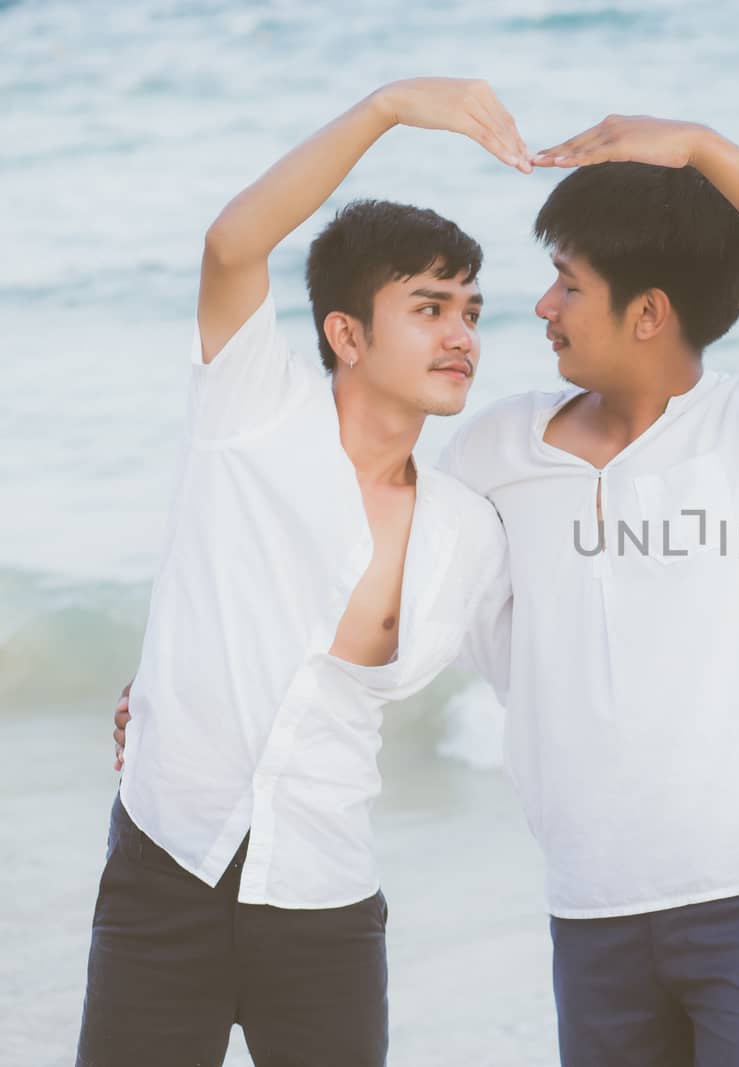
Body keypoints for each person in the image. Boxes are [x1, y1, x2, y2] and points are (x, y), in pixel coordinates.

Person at [433, 115, 739, 1065]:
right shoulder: (493, 451)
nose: (542, 307)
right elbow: (406, 603)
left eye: (569, 284)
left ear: (648, 313)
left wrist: (702, 150)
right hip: (592, 898)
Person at [77, 77, 531, 1066]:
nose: (461, 334)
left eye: (470, 311)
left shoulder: (468, 533)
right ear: (346, 333)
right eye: (428, 308)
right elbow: (233, 245)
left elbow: (555, 679)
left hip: (325, 905)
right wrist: (388, 107)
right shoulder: (252, 417)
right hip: (165, 871)